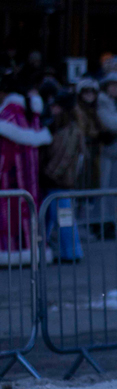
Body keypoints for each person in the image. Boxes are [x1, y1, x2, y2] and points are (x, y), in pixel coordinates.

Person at [0, 74, 51, 255]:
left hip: (10, 178)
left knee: (10, 214)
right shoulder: (31, 114)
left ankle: (11, 250)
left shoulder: (8, 115)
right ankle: (31, 247)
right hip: (30, 179)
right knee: (29, 210)